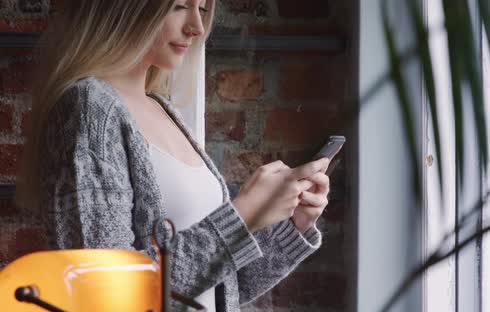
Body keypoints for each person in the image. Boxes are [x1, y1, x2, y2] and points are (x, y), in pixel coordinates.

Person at [14, 1, 331, 311]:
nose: (196, 27)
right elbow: (106, 294)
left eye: (202, 9)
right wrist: (244, 214)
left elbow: (223, 287)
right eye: (179, 6)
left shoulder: (163, 109)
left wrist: (293, 225)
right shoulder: (88, 110)